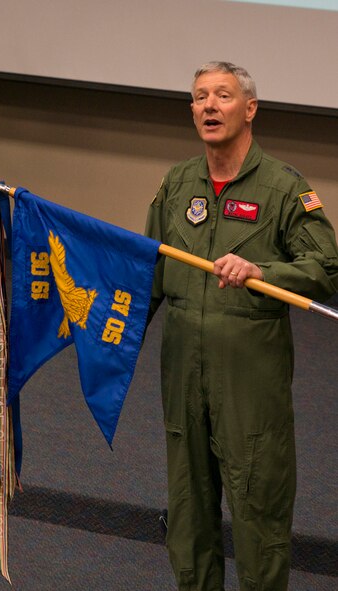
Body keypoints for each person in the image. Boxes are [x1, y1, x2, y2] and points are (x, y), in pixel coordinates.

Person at [144, 61, 338, 591]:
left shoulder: (283, 187)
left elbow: (326, 268)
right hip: (183, 372)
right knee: (188, 510)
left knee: (258, 512)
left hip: (250, 383)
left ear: (249, 109)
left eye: (223, 96)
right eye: (200, 96)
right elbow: (148, 276)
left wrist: (263, 271)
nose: (209, 105)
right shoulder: (178, 183)